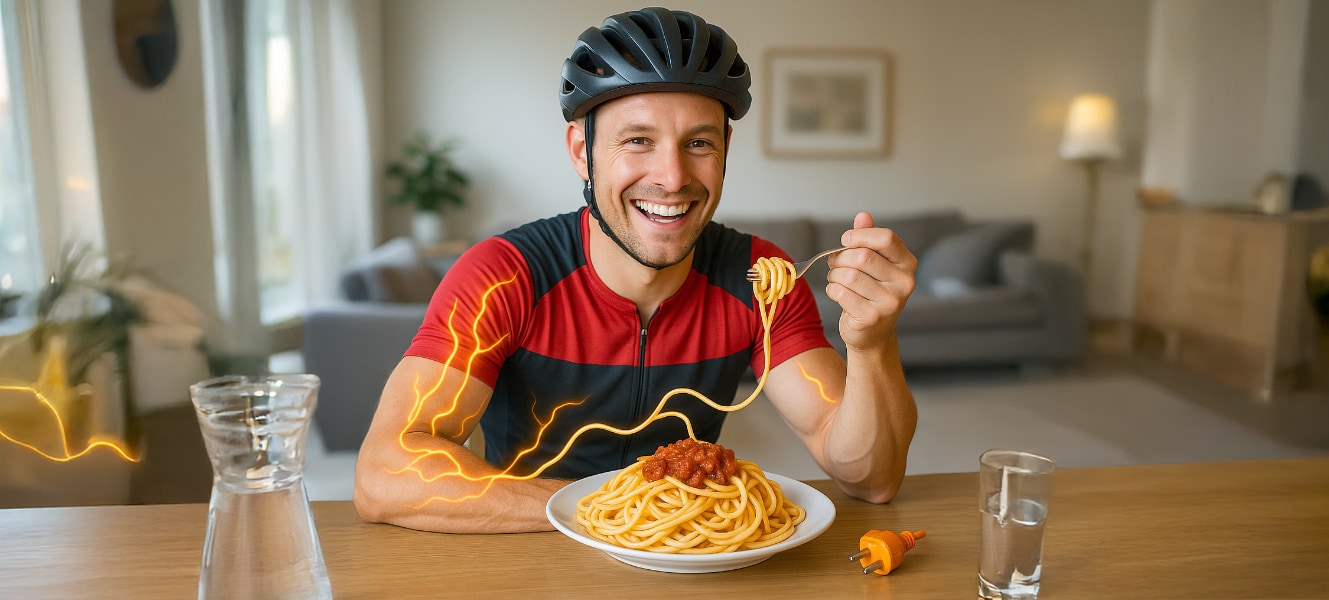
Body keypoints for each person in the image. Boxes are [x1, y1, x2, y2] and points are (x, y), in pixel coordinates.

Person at [354, 7, 918, 534]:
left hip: (692, 561)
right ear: (581, 150)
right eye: (638, 141)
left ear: (725, 149)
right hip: (529, 553)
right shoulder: (504, 275)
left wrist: (871, 344)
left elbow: (870, 478)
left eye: (698, 142)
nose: (672, 178)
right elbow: (384, 472)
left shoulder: (760, 276)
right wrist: (611, 512)